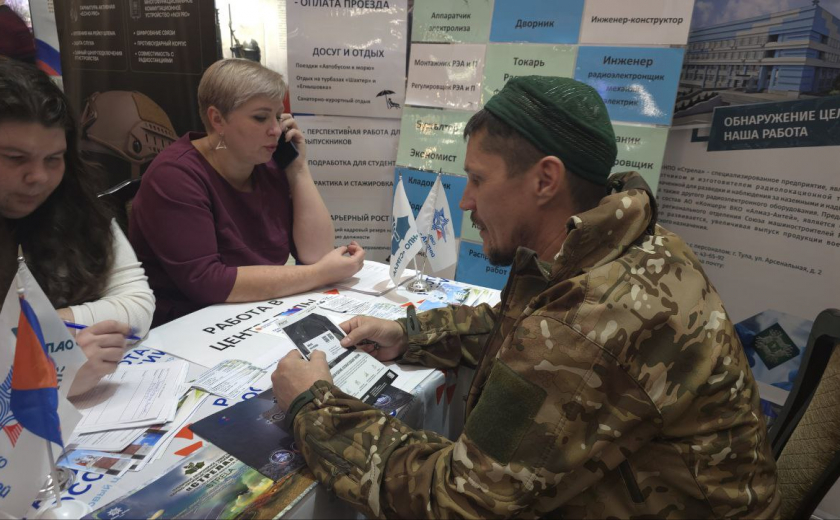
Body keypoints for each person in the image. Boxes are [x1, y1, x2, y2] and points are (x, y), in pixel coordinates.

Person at [271, 76, 780, 518]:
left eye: (478, 179)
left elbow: (459, 502)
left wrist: (315, 407)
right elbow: (523, 330)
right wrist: (409, 334)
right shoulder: (627, 243)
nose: (466, 201)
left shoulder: (590, 319)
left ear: (545, 180)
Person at [129, 59, 364, 326]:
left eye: (278, 116)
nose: (276, 130)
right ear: (217, 119)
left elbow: (316, 253)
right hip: (190, 322)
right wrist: (320, 274)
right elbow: (207, 282)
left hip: (256, 309)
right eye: (261, 117)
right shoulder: (174, 176)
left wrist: (298, 168)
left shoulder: (267, 162)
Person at [0, 58, 155, 396]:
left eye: (53, 159)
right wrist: (51, 377)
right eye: (15, 158)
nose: (38, 177)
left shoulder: (78, 205)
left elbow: (138, 304)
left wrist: (48, 328)